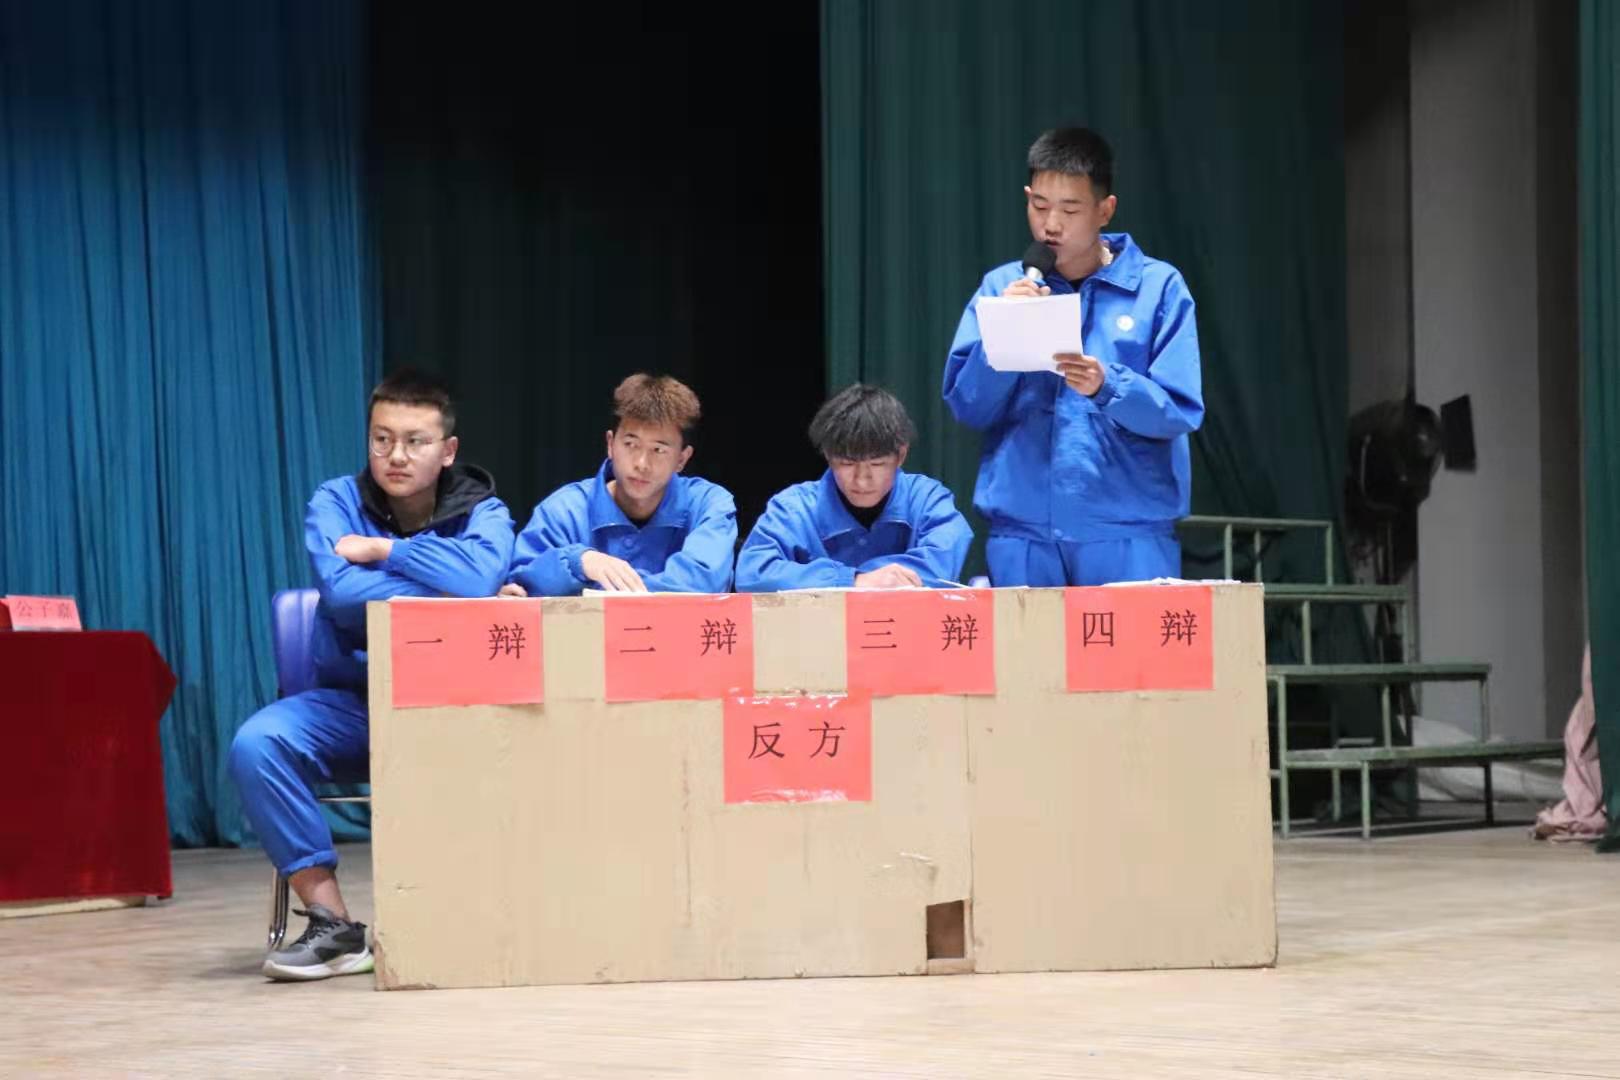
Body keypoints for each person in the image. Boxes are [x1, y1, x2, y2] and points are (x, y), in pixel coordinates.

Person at [229, 370, 514, 981]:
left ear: (448, 450)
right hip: (355, 703)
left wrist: (388, 552)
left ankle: (495, 920)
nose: (396, 456)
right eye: (382, 439)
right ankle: (334, 926)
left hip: (455, 706)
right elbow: (340, 593)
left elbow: (480, 578)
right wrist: (451, 587)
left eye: (415, 441)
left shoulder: (484, 510)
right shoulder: (334, 501)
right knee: (257, 744)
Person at [942, 126, 1203, 586]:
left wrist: (1109, 386)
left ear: (1105, 210)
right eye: (1040, 206)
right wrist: (1003, 333)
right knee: (1025, 640)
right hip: (1023, 536)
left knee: (1133, 640)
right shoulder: (1002, 287)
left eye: (1069, 209)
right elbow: (968, 406)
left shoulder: (1158, 288)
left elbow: (1179, 411)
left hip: (1127, 534)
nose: (1051, 224)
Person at [503, 374, 736, 596]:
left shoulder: (708, 504)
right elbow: (520, 586)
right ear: (610, 444)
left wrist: (590, 587)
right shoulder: (564, 510)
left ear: (681, 459)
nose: (642, 464)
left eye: (658, 450)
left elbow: (704, 583)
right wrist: (578, 562)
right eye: (630, 444)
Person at [735, 383, 971, 591]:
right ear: (828, 456)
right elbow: (752, 573)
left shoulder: (928, 500)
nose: (862, 480)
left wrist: (869, 579)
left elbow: (944, 561)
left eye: (877, 464)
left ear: (901, 455)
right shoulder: (793, 508)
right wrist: (853, 579)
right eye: (847, 464)